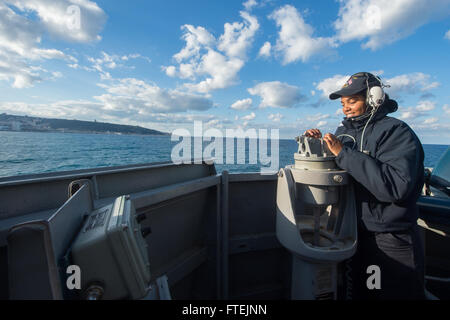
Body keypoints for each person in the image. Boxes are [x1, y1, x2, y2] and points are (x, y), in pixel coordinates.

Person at [305, 72, 426, 300]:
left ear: (374, 98)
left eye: (352, 101)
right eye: (343, 104)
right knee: (362, 294)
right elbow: (341, 170)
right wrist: (316, 146)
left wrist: (343, 153)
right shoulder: (345, 133)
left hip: (388, 238)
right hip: (352, 232)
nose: (346, 108)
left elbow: (395, 186)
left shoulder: (396, 132)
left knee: (388, 294)